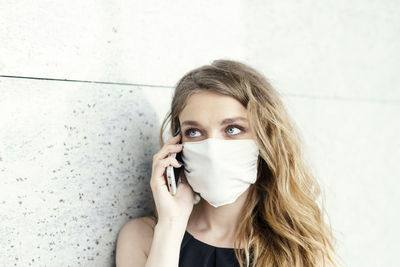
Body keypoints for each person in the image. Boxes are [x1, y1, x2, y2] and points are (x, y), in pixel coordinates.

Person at [115, 59, 342, 267]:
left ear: (266, 139)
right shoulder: (143, 237)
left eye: (232, 129)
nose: (212, 148)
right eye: (194, 132)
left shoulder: (304, 253)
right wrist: (171, 224)